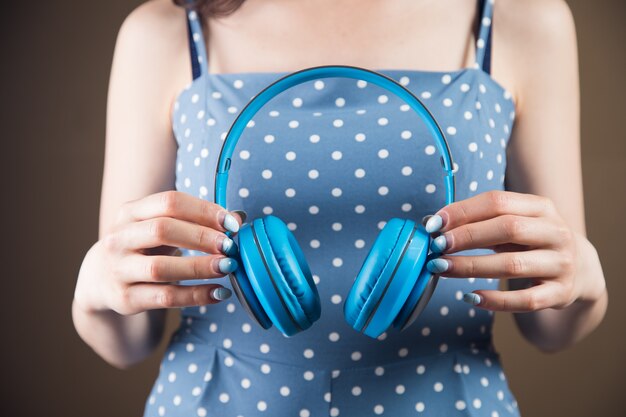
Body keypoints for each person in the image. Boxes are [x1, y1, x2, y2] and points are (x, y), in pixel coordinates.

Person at [72, 0, 608, 415]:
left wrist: (584, 278)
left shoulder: (523, 19)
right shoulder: (163, 30)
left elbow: (551, 329)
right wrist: (97, 290)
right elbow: (129, 341)